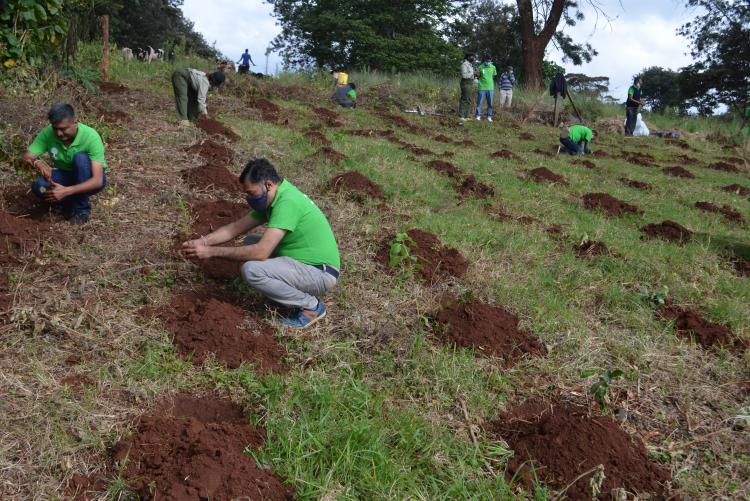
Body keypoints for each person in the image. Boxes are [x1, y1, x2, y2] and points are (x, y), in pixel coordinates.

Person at [182, 158, 340, 329]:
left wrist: (211, 252)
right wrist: (203, 241)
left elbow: (261, 252)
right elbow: (235, 228)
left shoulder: (287, 202)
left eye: (251, 193)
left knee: (252, 270)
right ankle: (282, 291)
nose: (249, 198)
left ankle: (311, 307)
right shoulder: (276, 197)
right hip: (303, 261)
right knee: (250, 241)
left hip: (319, 272)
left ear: (269, 185)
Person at [22, 103, 107, 225]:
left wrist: (66, 191)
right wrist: (37, 162)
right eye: (55, 128)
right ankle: (68, 203)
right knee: (39, 186)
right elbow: (26, 157)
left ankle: (81, 210)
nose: (59, 134)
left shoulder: (91, 136)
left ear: (75, 122)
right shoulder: (47, 133)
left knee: (81, 159)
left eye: (63, 129)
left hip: (89, 178)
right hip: (65, 175)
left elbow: (97, 181)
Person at [475, 55, 496, 122]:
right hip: (482, 87)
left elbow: (493, 76)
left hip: (490, 88)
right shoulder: (480, 67)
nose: (488, 62)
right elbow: (477, 75)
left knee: (490, 103)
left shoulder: (493, 67)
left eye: (489, 60)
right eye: (487, 60)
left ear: (491, 60)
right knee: (479, 102)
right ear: (484, 60)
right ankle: (478, 116)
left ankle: (489, 116)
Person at [459, 53, 476, 121]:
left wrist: (475, 75)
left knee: (469, 99)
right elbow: (464, 76)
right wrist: (473, 73)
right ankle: (461, 116)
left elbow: (471, 75)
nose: (473, 58)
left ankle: (467, 116)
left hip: (470, 83)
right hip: (465, 83)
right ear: (468, 57)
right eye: (472, 57)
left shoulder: (470, 65)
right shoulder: (464, 65)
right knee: (464, 99)